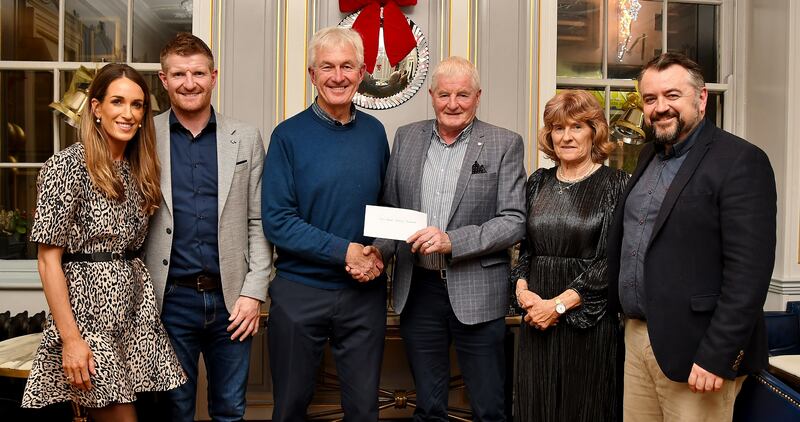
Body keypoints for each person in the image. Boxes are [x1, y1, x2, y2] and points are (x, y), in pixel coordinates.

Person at [607, 53, 777, 421]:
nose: (659, 108)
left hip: (698, 350)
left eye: (672, 95)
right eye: (650, 99)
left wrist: (717, 355)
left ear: (701, 99)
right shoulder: (649, 154)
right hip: (638, 339)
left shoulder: (740, 160)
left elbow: (749, 275)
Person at [21, 63, 186, 421]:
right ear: (96, 108)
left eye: (138, 105)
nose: (128, 113)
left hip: (135, 314)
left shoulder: (139, 168)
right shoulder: (67, 166)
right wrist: (71, 339)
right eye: (118, 102)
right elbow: (49, 260)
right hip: (89, 316)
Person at [374, 56, 526, 421]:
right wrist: (376, 252)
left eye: (463, 94)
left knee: (489, 407)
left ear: (478, 96)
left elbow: (514, 221)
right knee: (428, 406)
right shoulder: (406, 137)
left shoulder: (504, 143)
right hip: (419, 289)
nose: (453, 104)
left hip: (478, 291)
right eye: (444, 94)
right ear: (431, 95)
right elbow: (393, 209)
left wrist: (452, 241)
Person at [261, 26, 389, 421]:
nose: (338, 76)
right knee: (290, 407)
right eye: (327, 67)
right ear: (312, 74)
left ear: (363, 72)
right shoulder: (287, 136)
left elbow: (387, 207)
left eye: (347, 66)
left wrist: (381, 249)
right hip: (301, 292)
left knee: (364, 410)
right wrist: (345, 251)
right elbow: (278, 222)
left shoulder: (375, 133)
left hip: (364, 295)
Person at [143, 33, 272, 422]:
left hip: (232, 300)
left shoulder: (245, 138)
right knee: (174, 410)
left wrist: (254, 292)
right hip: (169, 301)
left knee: (230, 408)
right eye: (178, 74)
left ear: (214, 76)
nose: (189, 82)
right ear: (164, 80)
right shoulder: (143, 136)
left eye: (198, 73)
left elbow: (258, 220)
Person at [510, 90, 627, 421]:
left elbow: (611, 261)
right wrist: (523, 292)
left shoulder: (615, 183)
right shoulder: (538, 182)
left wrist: (558, 305)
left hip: (587, 324)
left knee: (584, 407)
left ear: (594, 132)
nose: (566, 136)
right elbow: (526, 249)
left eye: (576, 127)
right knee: (537, 406)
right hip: (536, 320)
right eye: (558, 128)